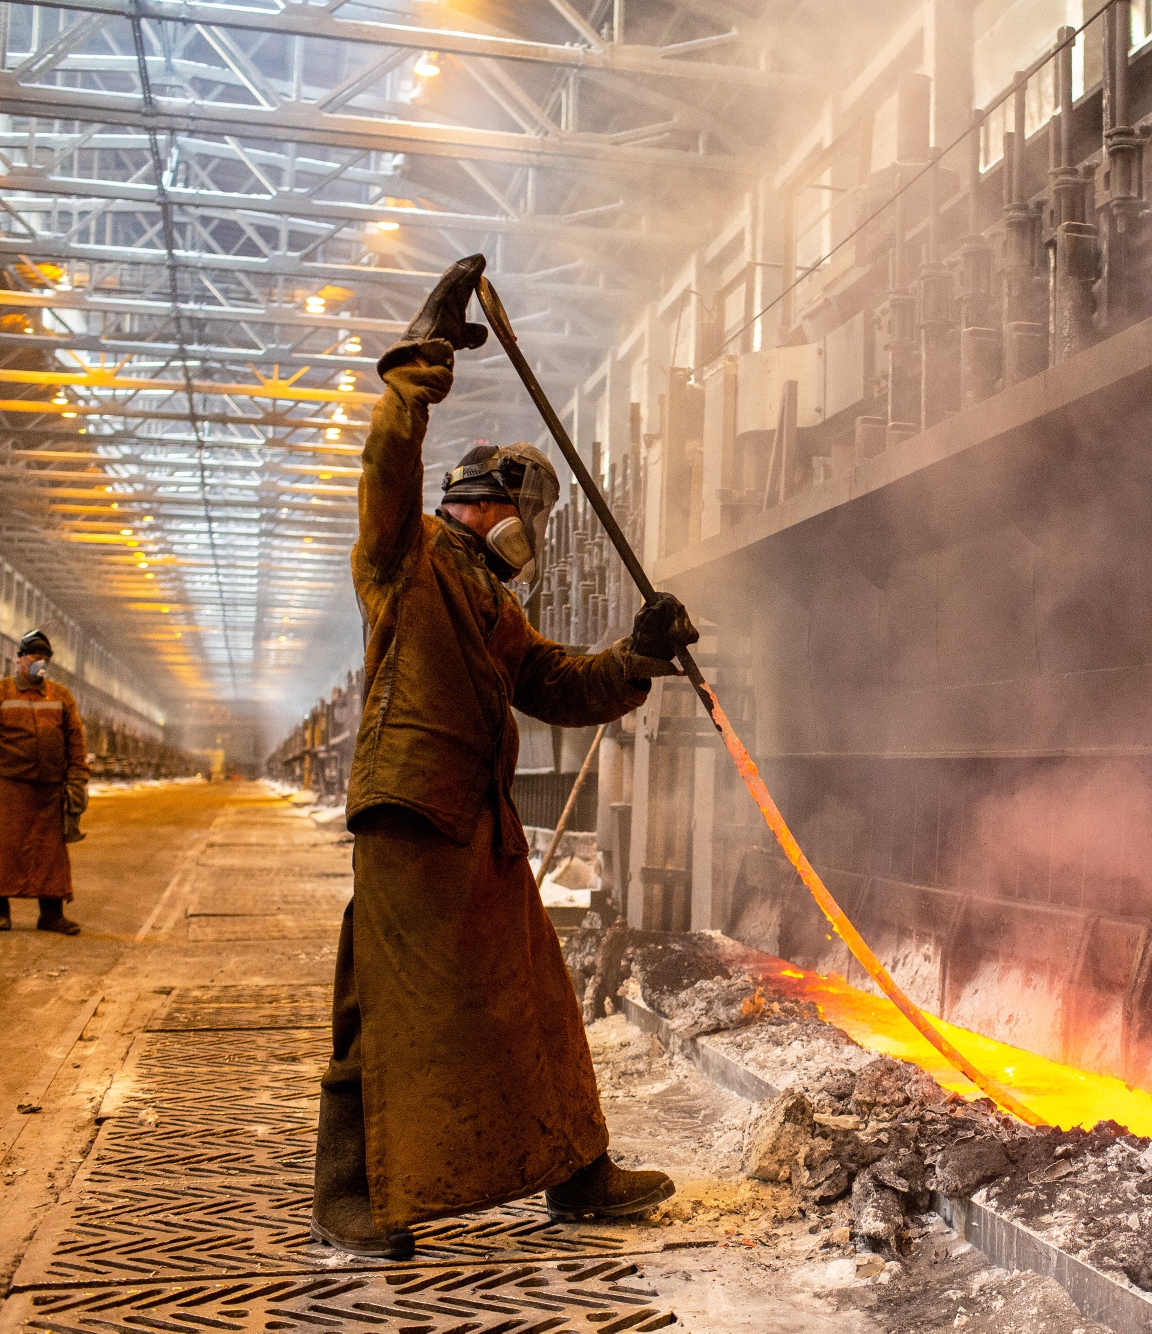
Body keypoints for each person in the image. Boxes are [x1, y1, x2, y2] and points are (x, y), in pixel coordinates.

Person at [314, 253, 701, 1259]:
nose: (533, 534)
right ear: (484, 501)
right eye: (527, 515)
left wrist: (639, 654)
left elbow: (559, 683)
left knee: (538, 994)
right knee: (389, 1013)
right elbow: (387, 462)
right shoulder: (406, 558)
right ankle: (355, 1204)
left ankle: (576, 1173)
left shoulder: (489, 599)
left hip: (469, 823)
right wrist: (420, 362)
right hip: (410, 817)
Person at [0, 630, 90, 933]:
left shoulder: (60, 695)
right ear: (20, 659)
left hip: (50, 787)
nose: (40, 664)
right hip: (10, 785)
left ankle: (50, 915)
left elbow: (76, 738)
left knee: (51, 853)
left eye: (45, 659)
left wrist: (77, 777)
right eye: (35, 658)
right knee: (2, 849)